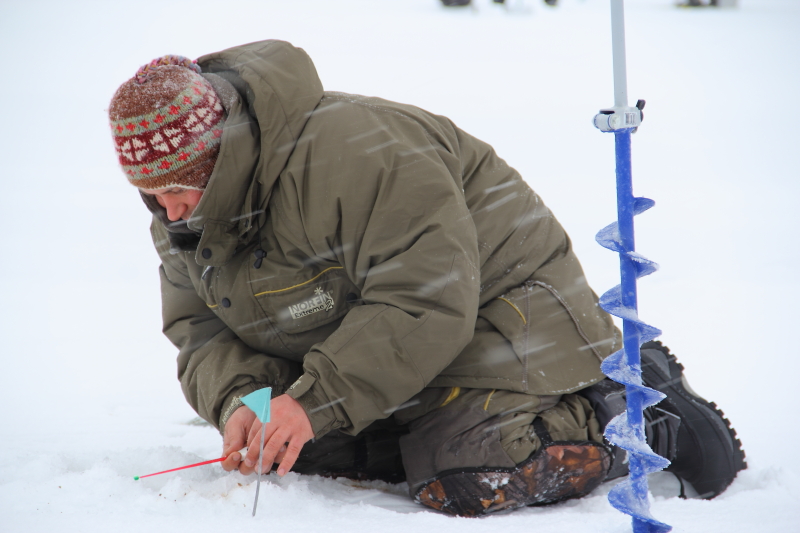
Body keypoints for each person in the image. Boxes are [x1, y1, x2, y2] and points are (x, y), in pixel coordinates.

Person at [109, 40, 745, 516]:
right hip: (380, 345)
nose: (170, 212)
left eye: (180, 186)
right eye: (151, 193)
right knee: (302, 455)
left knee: (466, 475)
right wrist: (247, 405)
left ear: (222, 154)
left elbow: (426, 298)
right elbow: (200, 331)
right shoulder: (185, 217)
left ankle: (636, 408)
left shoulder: (359, 152)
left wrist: (312, 401)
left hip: (507, 314)